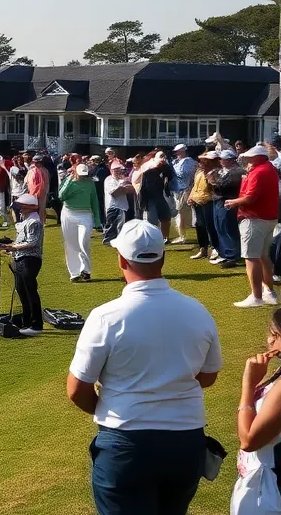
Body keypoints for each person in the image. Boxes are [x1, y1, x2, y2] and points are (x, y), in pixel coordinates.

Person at [67, 220, 221, 515]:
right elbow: (208, 375)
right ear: (162, 257)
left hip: (125, 442)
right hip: (185, 441)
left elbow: (77, 390)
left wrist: (114, 403)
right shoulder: (197, 310)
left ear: (122, 259)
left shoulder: (105, 317)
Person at [232, 308, 281, 515]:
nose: (269, 340)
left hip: (269, 489)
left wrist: (248, 386)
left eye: (276, 335)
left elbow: (249, 440)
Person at [226, 145, 281, 308]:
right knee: (263, 256)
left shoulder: (259, 171)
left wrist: (233, 202)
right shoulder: (269, 169)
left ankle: (256, 296)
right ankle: (268, 292)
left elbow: (250, 198)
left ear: (257, 158)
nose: (246, 159)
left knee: (251, 257)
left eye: (249, 157)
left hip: (254, 218)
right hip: (267, 218)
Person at [2, 192, 44, 335]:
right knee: (21, 289)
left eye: (22, 208)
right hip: (20, 259)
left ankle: (36, 325)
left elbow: (32, 242)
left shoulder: (34, 222)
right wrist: (10, 249)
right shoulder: (26, 221)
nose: (20, 210)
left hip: (30, 260)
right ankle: (26, 322)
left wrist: (12, 247)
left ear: (30, 208)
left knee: (30, 290)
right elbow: (21, 241)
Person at [59, 162, 101, 283]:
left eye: (85, 174)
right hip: (68, 214)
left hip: (85, 215)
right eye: (81, 174)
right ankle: (74, 273)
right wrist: (69, 181)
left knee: (83, 242)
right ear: (75, 172)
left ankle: (86, 271)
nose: (83, 176)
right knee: (71, 244)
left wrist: (97, 220)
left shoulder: (90, 183)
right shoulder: (69, 181)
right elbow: (61, 196)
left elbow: (94, 201)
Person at [213, 149, 248, 270]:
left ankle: (233, 255)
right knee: (220, 227)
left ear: (230, 160)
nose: (221, 161)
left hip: (228, 201)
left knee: (228, 228)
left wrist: (214, 182)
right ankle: (225, 253)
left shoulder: (237, 172)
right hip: (219, 201)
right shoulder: (223, 171)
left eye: (223, 159)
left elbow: (224, 187)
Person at [102, 161, 132, 245]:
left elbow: (130, 190)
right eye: (116, 170)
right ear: (111, 171)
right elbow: (114, 193)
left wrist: (123, 188)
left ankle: (118, 240)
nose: (119, 172)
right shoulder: (109, 179)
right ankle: (108, 240)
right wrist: (122, 187)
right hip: (113, 206)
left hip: (123, 205)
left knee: (121, 225)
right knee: (112, 225)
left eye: (120, 170)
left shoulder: (123, 179)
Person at [171, 144, 196, 244]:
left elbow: (183, 174)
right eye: (176, 152)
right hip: (177, 190)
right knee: (180, 213)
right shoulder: (178, 162)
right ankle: (182, 235)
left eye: (178, 151)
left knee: (181, 213)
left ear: (183, 151)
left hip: (184, 190)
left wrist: (172, 169)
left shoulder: (188, 161)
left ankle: (182, 236)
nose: (177, 154)